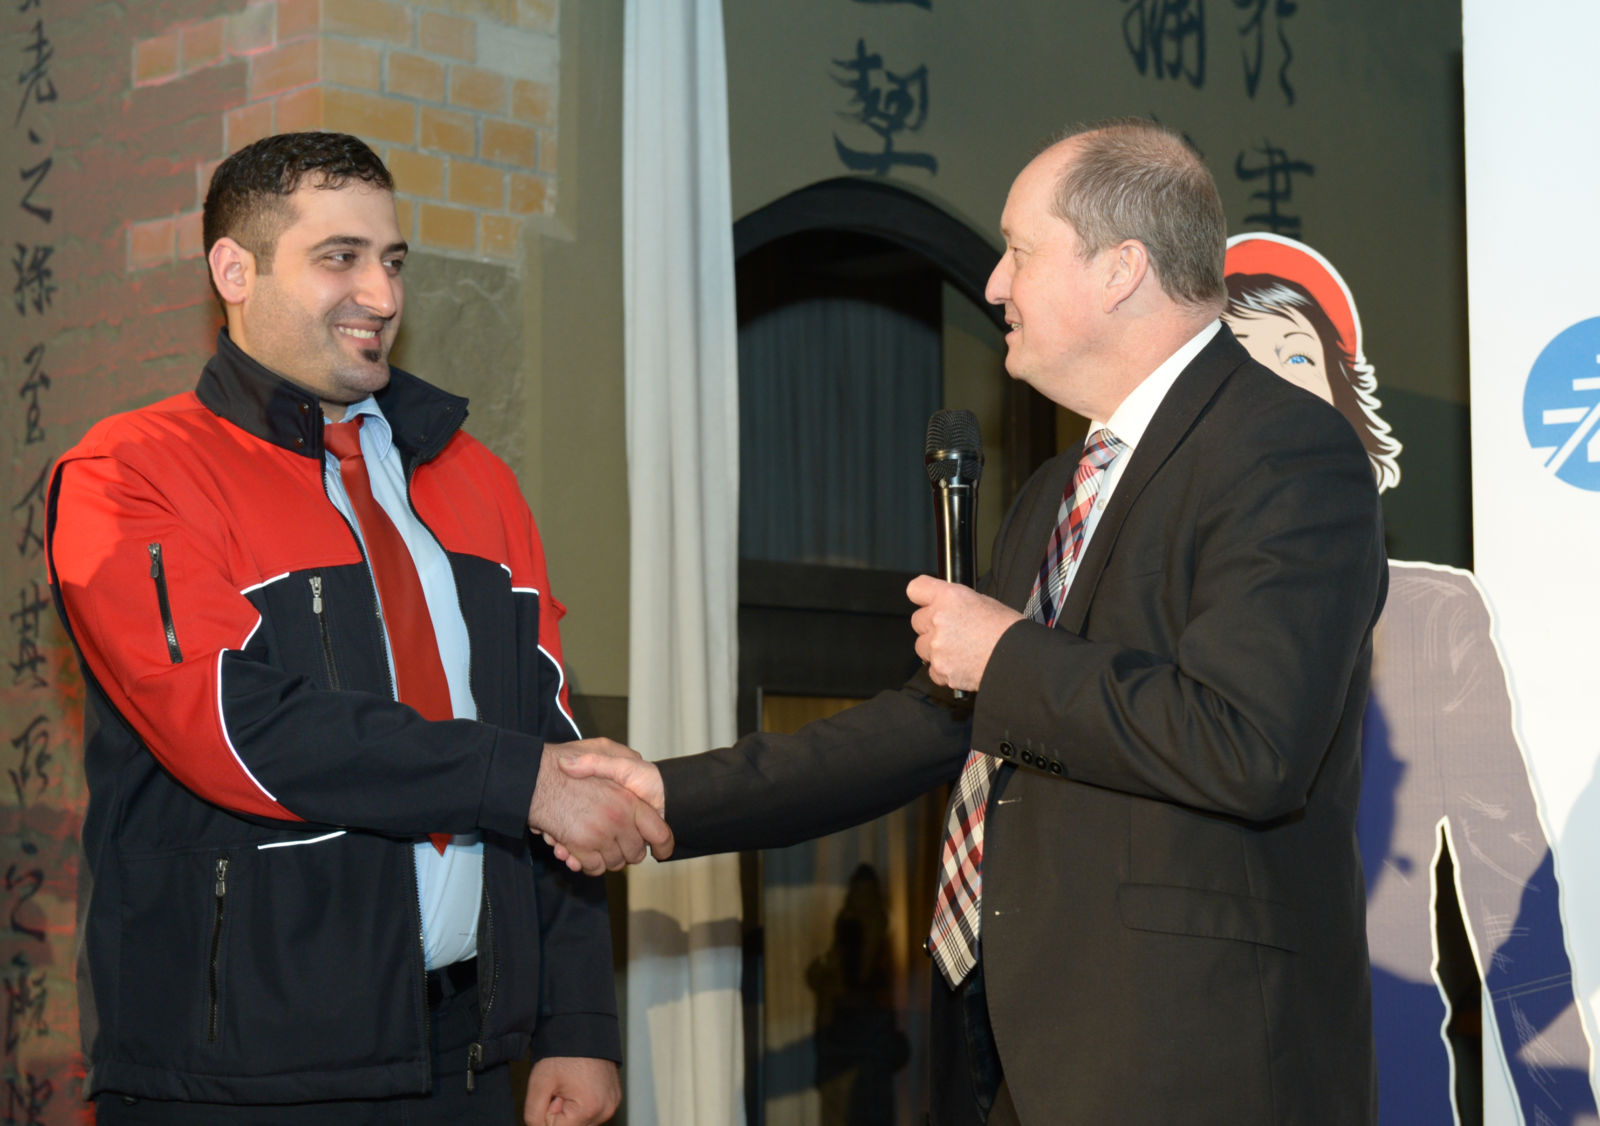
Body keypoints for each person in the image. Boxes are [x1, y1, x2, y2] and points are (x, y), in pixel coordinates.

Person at [557, 119, 1387, 1125]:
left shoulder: (1286, 453)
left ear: (1121, 269)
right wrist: (665, 792)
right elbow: (936, 722)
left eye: (1021, 251)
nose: (993, 284)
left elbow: (1248, 743)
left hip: (1195, 1064)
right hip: (1025, 1052)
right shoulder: (1053, 490)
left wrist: (1005, 653)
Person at [44, 131, 668, 1125]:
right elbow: (234, 727)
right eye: (339, 257)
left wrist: (579, 1022)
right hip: (235, 1074)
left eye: (392, 261)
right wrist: (521, 784)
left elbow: (553, 752)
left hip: (461, 1061)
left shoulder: (478, 482)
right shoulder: (128, 475)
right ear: (233, 270)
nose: (380, 295)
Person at [1224, 232, 1598, 1126]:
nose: (1272, 386)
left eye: (1297, 355)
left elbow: (1514, 900)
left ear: (1348, 407)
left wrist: (1566, 1114)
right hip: (1203, 1073)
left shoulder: (1432, 618)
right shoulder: (1155, 612)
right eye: (1238, 361)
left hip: (1381, 1078)